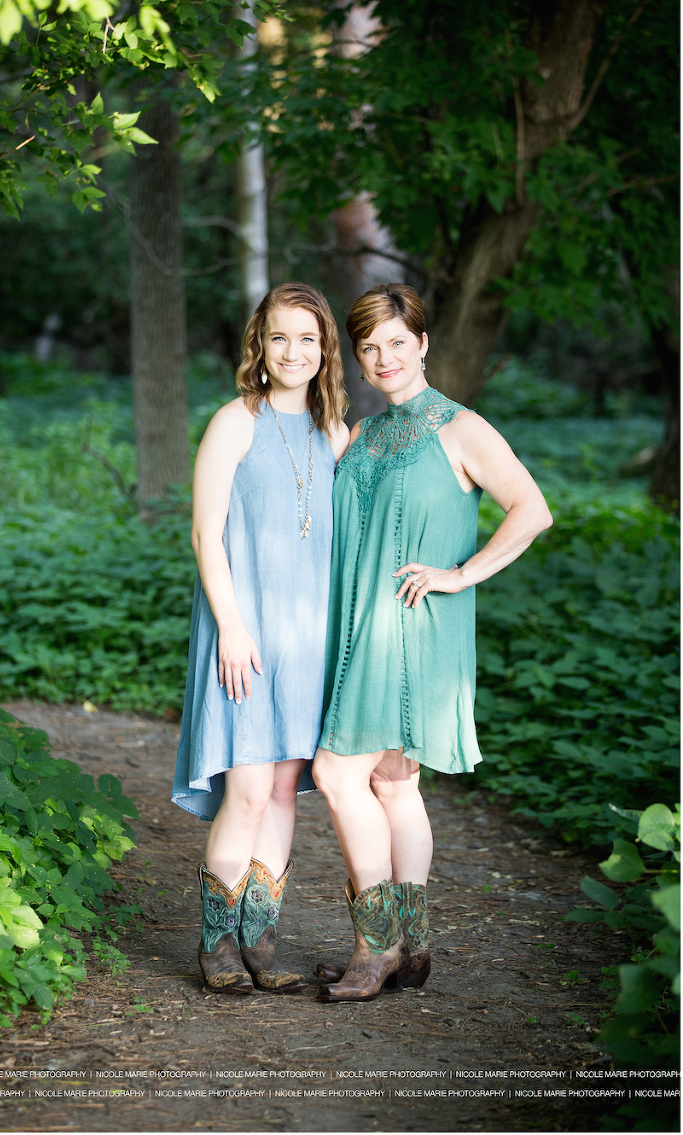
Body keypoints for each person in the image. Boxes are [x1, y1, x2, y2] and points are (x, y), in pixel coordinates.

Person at [312, 283, 552, 1003]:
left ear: (422, 344)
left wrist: (460, 574)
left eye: (396, 342)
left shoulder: (461, 427)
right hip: (360, 626)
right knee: (393, 782)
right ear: (357, 357)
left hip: (411, 631)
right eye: (368, 347)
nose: (383, 357)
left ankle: (376, 945)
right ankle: (412, 948)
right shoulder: (365, 433)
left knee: (337, 776)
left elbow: (532, 510)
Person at [172, 282, 349, 995]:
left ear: (324, 350)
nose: (293, 351)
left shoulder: (335, 434)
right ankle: (216, 944)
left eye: (308, 339)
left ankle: (259, 942)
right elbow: (204, 535)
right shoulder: (234, 422)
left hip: (307, 641)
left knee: (282, 791)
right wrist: (232, 627)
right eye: (280, 337)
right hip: (241, 634)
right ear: (260, 344)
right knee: (245, 789)